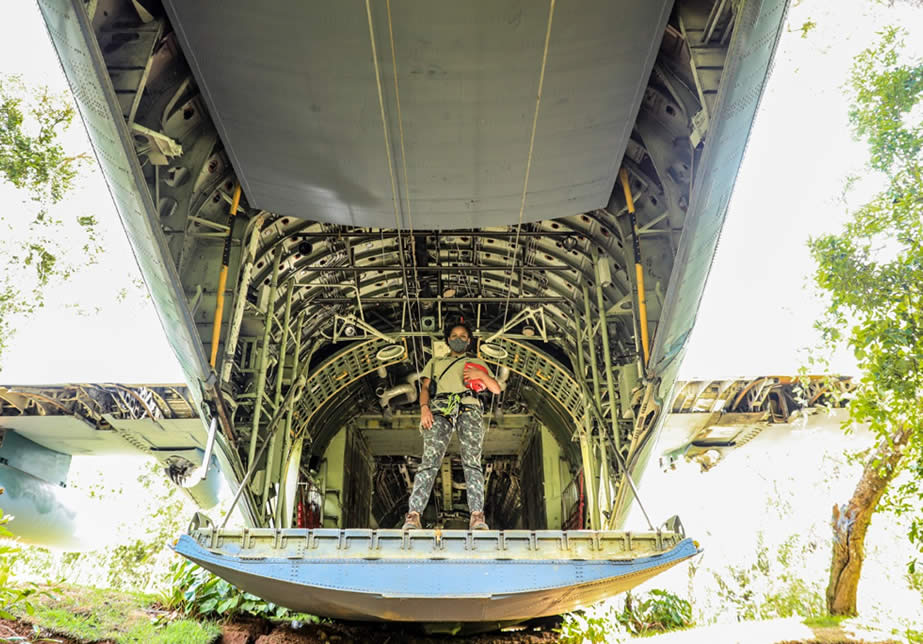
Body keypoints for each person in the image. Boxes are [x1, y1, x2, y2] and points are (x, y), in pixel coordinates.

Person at [402, 321, 501, 531]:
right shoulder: (436, 362)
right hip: (440, 409)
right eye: (454, 335)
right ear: (448, 340)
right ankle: (413, 515)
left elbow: (496, 388)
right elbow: (425, 388)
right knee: (429, 461)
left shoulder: (476, 362)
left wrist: (481, 376)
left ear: (469, 340)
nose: (458, 339)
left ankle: (476, 516)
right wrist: (424, 409)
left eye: (463, 335)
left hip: (469, 407)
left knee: (472, 462)